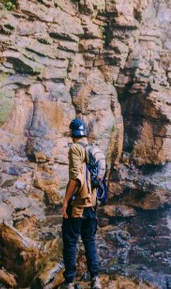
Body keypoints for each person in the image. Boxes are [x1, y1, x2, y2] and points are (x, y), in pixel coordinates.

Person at [61, 118, 101, 289]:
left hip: (77, 206)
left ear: (72, 133)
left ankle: (69, 282)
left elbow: (76, 179)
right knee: (89, 240)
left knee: (70, 241)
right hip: (92, 205)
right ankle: (95, 280)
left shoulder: (75, 149)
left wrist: (65, 202)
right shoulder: (94, 149)